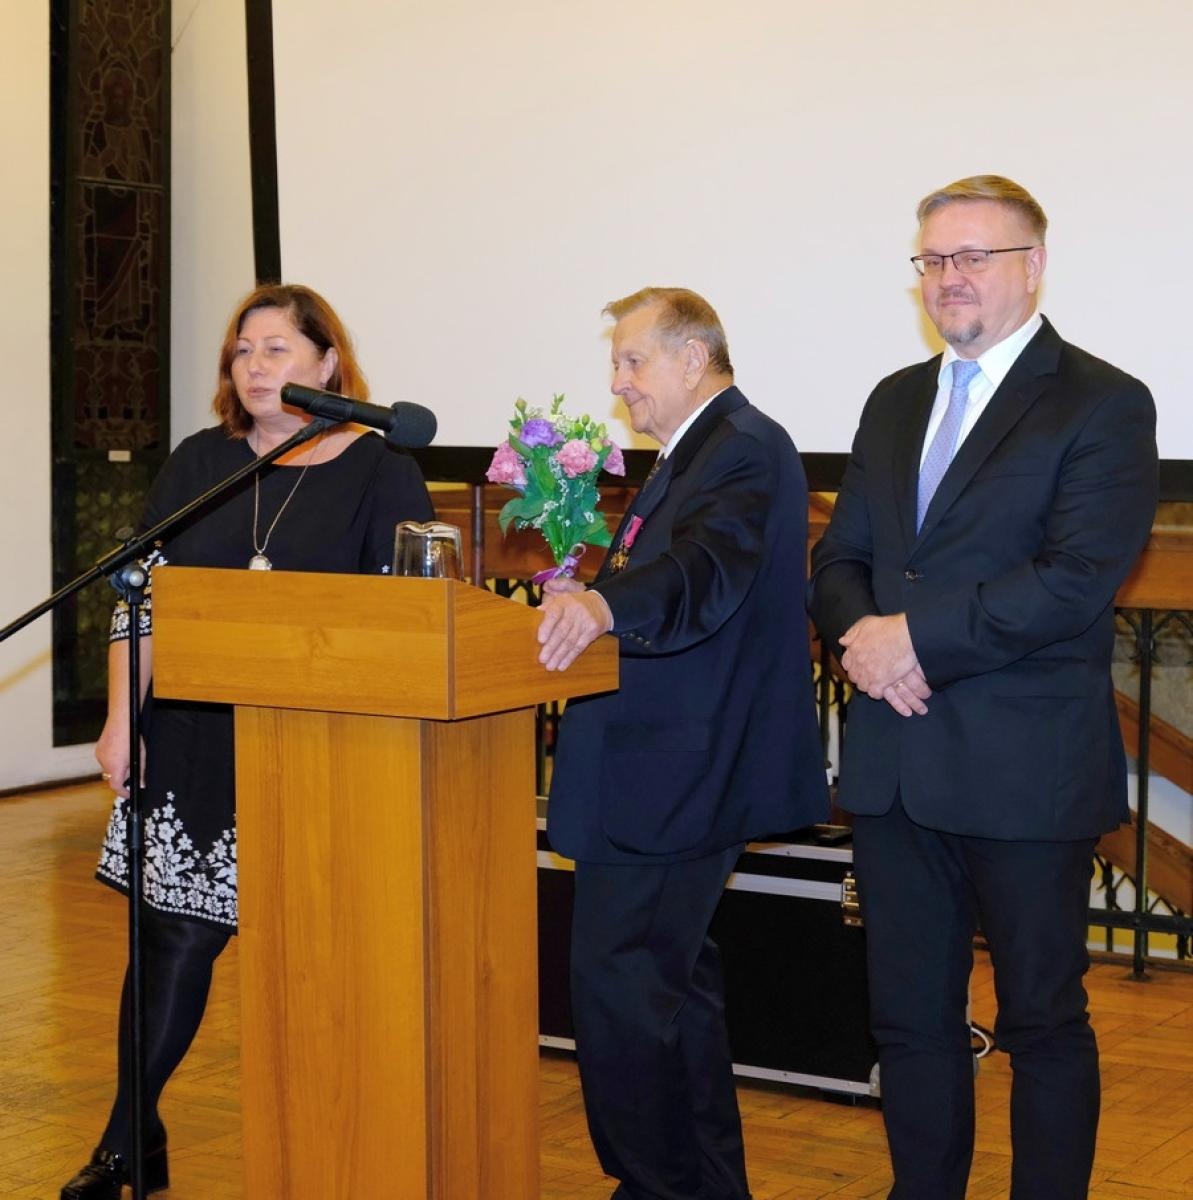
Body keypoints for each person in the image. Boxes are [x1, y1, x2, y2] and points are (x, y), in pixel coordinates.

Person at [808, 176, 1158, 1200]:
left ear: (1032, 266)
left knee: (1040, 1019)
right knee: (908, 1020)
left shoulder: (1100, 400)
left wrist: (909, 639)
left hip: (1023, 769)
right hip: (894, 766)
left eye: (971, 257)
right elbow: (841, 559)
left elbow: (1072, 578)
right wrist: (856, 637)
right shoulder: (892, 397)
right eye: (930, 260)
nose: (946, 278)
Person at [61, 283, 434, 1200]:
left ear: (328, 366)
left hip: (317, 751)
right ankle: (126, 1140)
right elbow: (138, 600)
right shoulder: (201, 463)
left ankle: (159, 1146)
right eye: (243, 351)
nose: (256, 365)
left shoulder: (381, 470)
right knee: (169, 947)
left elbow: (401, 624)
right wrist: (121, 720)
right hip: (190, 742)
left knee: (308, 964)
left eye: (277, 348)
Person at [537, 287, 828, 1200]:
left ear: (693, 358)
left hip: (680, 776)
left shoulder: (740, 449)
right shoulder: (692, 454)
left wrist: (601, 603)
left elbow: (702, 571)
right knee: (672, 988)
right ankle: (700, 1185)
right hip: (660, 772)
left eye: (632, 361)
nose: (617, 383)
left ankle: (651, 1184)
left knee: (620, 989)